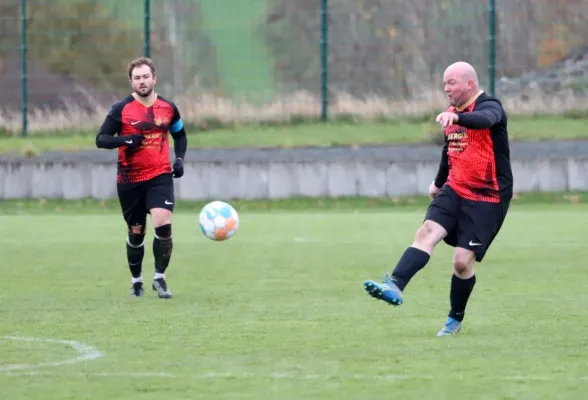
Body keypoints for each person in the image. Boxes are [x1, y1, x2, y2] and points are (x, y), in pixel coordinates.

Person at [363, 61, 513, 336]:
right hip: (455, 188)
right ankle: (395, 284)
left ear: (470, 84)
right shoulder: (450, 115)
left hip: (487, 197)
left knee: (461, 262)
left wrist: (459, 118)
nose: (446, 88)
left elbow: (483, 121)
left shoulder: (491, 107)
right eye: (444, 83)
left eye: (451, 82)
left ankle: (454, 319)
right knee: (427, 232)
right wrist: (439, 182)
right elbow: (450, 150)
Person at [95, 57, 187, 299]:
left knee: (163, 222)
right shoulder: (120, 109)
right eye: (137, 78)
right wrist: (124, 140)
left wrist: (179, 160)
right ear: (131, 82)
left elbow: (180, 135)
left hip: (160, 175)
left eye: (146, 76)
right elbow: (101, 139)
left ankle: (160, 278)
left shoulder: (168, 108)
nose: (142, 81)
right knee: (136, 234)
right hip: (130, 180)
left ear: (154, 78)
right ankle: (136, 280)